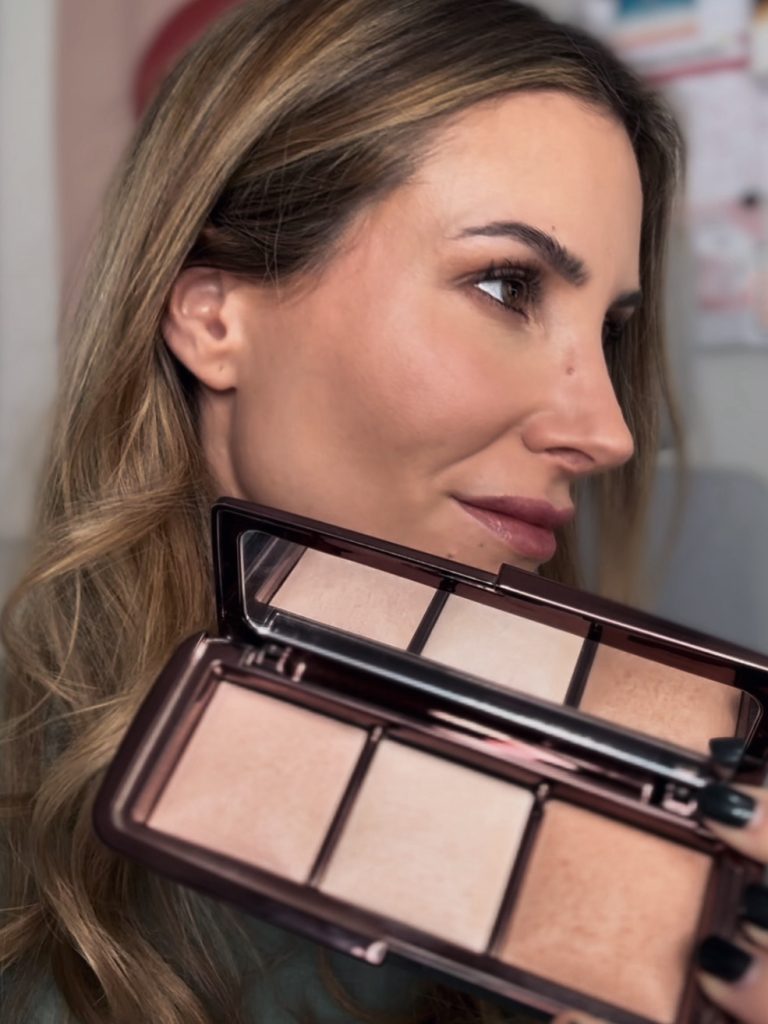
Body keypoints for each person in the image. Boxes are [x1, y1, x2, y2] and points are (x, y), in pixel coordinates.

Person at [1, 1, 767, 1022]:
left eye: (611, 332)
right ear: (213, 318)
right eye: (507, 286)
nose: (610, 432)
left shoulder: (623, 798)